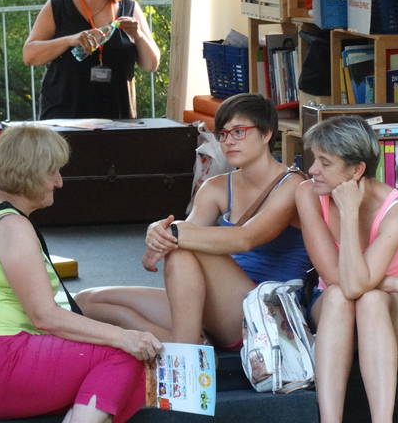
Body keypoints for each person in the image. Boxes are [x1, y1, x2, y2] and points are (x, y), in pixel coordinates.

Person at [0, 124, 161, 423]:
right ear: (30, 173)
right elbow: (44, 316)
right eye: (53, 172)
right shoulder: (13, 226)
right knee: (122, 355)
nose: (59, 182)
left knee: (112, 355)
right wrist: (124, 337)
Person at [76, 93, 310, 347]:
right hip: (216, 304)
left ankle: (184, 350)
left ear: (266, 134)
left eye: (238, 132)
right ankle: (188, 344)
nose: (228, 141)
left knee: (183, 239)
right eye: (222, 134)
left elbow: (246, 238)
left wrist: (171, 233)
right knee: (87, 301)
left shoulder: (293, 185)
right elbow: (184, 236)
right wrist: (158, 232)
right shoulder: (216, 187)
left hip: (267, 313)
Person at [296, 116, 398, 423]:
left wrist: (349, 212)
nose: (313, 169)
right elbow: (339, 280)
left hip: (394, 312)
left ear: (356, 170)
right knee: (337, 296)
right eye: (314, 159)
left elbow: (358, 287)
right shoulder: (307, 193)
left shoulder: (397, 212)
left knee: (370, 300)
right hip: (336, 305)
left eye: (324, 163)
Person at [22, 0, 160, 120]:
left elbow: (151, 65)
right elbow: (29, 55)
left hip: (117, 118)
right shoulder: (58, 5)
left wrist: (138, 35)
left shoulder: (129, 6)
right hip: (65, 119)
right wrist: (69, 40)